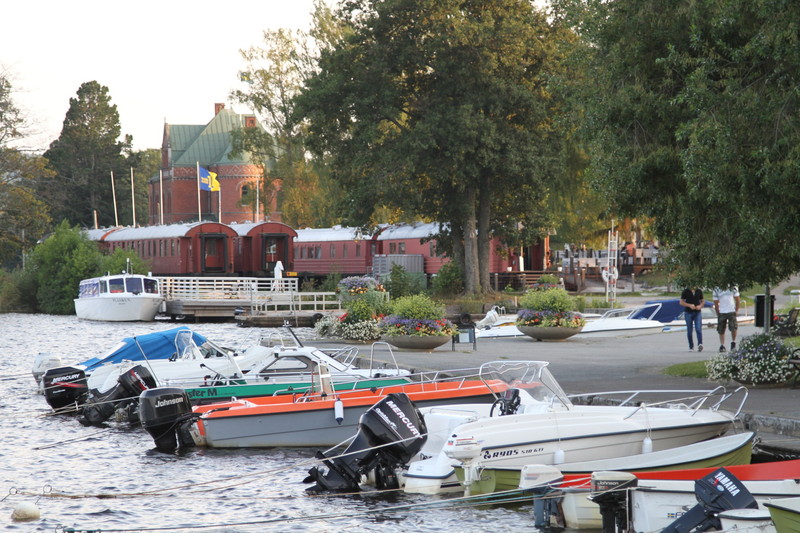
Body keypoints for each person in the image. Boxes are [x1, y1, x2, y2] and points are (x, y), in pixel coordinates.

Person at [713, 286, 740, 353]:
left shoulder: (733, 287)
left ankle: (733, 342)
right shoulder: (716, 289)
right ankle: (722, 345)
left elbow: (737, 299)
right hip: (722, 311)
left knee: (733, 328)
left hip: (731, 310)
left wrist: (736, 310)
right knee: (721, 329)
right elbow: (716, 302)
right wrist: (717, 312)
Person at [680, 286, 705, 352]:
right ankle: (691, 346)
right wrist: (689, 305)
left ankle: (700, 344)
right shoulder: (686, 291)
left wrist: (700, 306)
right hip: (688, 312)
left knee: (698, 328)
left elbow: (702, 301)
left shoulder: (698, 291)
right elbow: (681, 302)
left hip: (697, 312)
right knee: (689, 330)